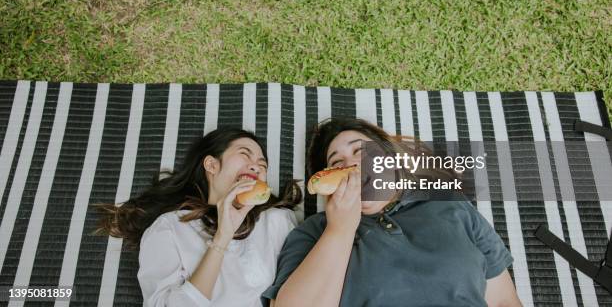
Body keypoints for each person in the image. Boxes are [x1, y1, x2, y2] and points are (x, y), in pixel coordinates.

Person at [262, 117, 522, 307]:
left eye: (360, 151)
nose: (351, 164)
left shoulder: (449, 203)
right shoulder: (312, 233)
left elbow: (503, 302)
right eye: (336, 163)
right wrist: (339, 230)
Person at [92, 128, 302, 307]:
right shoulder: (170, 227)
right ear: (211, 165)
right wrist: (222, 237)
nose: (256, 166)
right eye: (245, 155)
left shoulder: (278, 220)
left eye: (262, 165)